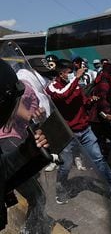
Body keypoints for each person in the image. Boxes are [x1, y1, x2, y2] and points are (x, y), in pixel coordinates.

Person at [46, 59, 111, 204]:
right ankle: (60, 190)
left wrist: (91, 100)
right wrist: (75, 78)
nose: (72, 74)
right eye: (69, 72)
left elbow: (83, 101)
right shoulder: (52, 87)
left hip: (85, 129)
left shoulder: (75, 86)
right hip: (68, 133)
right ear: (61, 73)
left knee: (99, 159)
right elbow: (62, 95)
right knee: (66, 165)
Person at [0, 58, 49, 231]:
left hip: (17, 139)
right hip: (10, 138)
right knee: (37, 196)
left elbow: (2, 169)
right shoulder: (25, 87)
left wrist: (28, 151)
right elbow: (24, 113)